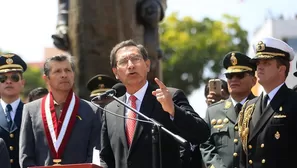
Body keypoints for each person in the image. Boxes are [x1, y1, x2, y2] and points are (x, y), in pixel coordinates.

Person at [100, 39, 210, 168]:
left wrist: (173, 110)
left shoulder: (170, 96)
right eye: (123, 62)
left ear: (147, 65)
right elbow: (106, 158)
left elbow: (202, 134)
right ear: (116, 72)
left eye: (135, 59)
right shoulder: (111, 110)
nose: (130, 65)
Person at [19, 55, 101, 167]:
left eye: (68, 70)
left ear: (73, 74)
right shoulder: (31, 110)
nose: (64, 75)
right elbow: (26, 155)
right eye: (57, 71)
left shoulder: (92, 110)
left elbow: (94, 153)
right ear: (46, 78)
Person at [238, 37, 297, 168]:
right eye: (258, 63)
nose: (259, 67)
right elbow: (244, 158)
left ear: (281, 69)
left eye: (266, 63)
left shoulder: (294, 101)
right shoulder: (249, 107)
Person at [200, 51, 257, 168]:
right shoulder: (213, 111)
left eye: (240, 75)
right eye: (229, 76)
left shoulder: (262, 107)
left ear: (253, 81)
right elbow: (206, 145)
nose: (233, 79)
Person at [0, 53, 27, 168]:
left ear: (22, 83)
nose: (8, 81)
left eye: (14, 77)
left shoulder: (32, 113)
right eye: (2, 78)